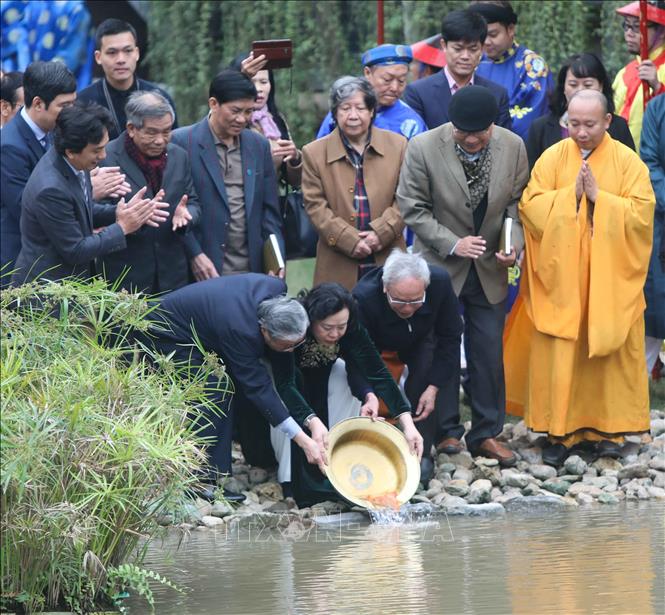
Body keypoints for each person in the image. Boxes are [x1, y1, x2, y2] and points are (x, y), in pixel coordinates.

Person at [507, 90, 655, 467]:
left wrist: (600, 198)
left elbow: (642, 215)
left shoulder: (627, 162)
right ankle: (559, 430)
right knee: (561, 349)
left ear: (608, 122)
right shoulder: (553, 158)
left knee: (609, 350)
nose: (581, 132)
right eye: (574, 124)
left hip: (610, 280)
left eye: (590, 124)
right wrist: (569, 198)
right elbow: (530, 206)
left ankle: (611, 431)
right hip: (564, 280)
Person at [397, 85, 528, 466]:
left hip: (489, 268)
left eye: (479, 133)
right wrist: (453, 244)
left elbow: (517, 206)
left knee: (488, 352)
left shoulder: (513, 145)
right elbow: (413, 208)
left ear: (492, 126)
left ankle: (487, 432)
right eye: (462, 132)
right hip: (441, 268)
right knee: (442, 350)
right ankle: (447, 432)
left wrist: (511, 244)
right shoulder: (422, 147)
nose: (470, 140)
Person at [144, 274, 327, 502]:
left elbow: (283, 382)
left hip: (210, 323)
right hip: (167, 330)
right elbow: (259, 389)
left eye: (298, 343)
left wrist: (312, 420)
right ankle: (200, 480)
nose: (293, 350)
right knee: (213, 390)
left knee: (226, 385)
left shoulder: (277, 290)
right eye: (287, 346)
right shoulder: (241, 331)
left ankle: (233, 461)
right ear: (264, 331)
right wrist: (302, 439)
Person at [270, 282, 423, 507]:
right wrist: (311, 421)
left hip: (328, 379)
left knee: (345, 380)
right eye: (327, 327)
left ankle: (338, 464)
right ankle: (290, 480)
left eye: (341, 327)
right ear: (312, 320)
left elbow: (377, 371)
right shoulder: (295, 323)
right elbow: (284, 384)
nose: (335, 334)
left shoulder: (351, 328)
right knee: (286, 405)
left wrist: (408, 424)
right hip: (290, 385)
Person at [12, 101, 169, 286]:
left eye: (104, 146)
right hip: (48, 292)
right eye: (97, 150)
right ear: (71, 151)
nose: (103, 156)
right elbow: (75, 250)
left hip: (73, 284)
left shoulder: (76, 161)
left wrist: (123, 212)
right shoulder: (51, 189)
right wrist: (123, 227)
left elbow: (81, 210)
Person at [352, 250, 463, 483]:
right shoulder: (363, 297)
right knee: (371, 392)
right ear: (385, 287)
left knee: (424, 381)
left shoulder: (440, 282)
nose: (407, 308)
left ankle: (422, 452)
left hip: (422, 337)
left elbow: (451, 336)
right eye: (399, 300)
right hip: (377, 341)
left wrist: (433, 388)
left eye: (416, 301)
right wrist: (368, 393)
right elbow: (358, 355)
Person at [171, 69, 284, 281]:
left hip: (251, 268)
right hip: (203, 269)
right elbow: (175, 207)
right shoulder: (182, 142)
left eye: (249, 112)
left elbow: (270, 214)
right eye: (235, 110)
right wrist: (195, 254)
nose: (242, 119)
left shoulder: (258, 145)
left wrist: (277, 260)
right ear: (213, 104)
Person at [302, 76, 407, 290]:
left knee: (391, 314)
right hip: (337, 260)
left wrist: (381, 233)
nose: (353, 116)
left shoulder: (398, 145)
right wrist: (349, 240)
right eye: (345, 108)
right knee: (339, 320)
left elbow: (407, 196)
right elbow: (315, 207)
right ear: (334, 114)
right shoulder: (313, 153)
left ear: (371, 112)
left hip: (388, 255)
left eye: (360, 108)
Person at [99, 91, 200, 294]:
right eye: (152, 133)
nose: (160, 140)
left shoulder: (179, 156)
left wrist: (186, 216)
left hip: (173, 276)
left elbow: (194, 202)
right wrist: (133, 218)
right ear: (131, 129)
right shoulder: (106, 158)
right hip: (125, 278)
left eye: (167, 131)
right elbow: (94, 212)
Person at [1, 61, 77, 280]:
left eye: (73, 103)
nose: (71, 112)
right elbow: (25, 208)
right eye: (64, 106)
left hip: (50, 262)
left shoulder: (55, 131)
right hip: (18, 267)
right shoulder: (9, 146)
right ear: (38, 103)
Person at [403, 9, 512, 131]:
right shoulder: (418, 93)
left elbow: (502, 143)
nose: (465, 56)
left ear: (481, 49)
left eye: (472, 49)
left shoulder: (497, 94)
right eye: (458, 49)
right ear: (444, 46)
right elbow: (416, 141)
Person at [527, 53, 635, 170]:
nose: (580, 90)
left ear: (601, 86)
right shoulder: (540, 128)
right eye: (573, 84)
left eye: (588, 85)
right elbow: (533, 179)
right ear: (564, 87)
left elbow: (630, 172)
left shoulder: (618, 127)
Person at [77, 19, 178, 141]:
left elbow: (173, 146)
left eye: (128, 51)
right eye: (112, 52)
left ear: (137, 53)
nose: (121, 59)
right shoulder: (83, 102)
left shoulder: (160, 98)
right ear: (98, 57)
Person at [470, 1, 552, 141]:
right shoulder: (472, 62)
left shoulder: (532, 66)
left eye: (493, 34)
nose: (487, 42)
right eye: (481, 35)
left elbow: (531, 119)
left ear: (511, 29)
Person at [316, 44, 426, 141]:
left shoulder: (411, 122)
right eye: (387, 79)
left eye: (401, 80)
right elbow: (320, 153)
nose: (395, 87)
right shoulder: (344, 112)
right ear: (368, 73)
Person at [230, 54, 302, 189]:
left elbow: (293, 181)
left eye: (264, 82)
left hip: (271, 202)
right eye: (251, 81)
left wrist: (295, 158)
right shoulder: (228, 120)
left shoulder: (276, 120)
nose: (259, 89)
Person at [613, 1, 665, 151]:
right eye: (626, 26)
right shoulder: (624, 73)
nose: (629, 33)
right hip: (621, 162)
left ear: (661, 31)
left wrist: (657, 87)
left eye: (636, 27)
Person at [641, 94, 665, 376]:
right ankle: (644, 371)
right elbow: (649, 159)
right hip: (661, 213)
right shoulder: (657, 108)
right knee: (656, 295)